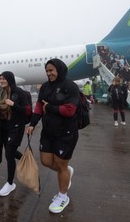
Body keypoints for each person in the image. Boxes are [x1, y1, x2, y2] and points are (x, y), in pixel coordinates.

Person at [26, 59, 80, 214]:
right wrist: (32, 124)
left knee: (61, 165)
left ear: (60, 70)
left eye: (52, 70)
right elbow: (38, 107)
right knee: (46, 161)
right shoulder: (45, 86)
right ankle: (66, 172)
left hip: (66, 133)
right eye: (47, 71)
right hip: (48, 132)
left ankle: (63, 196)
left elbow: (69, 110)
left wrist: (49, 107)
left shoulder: (70, 86)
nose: (49, 73)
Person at [0, 71, 32, 197]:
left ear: (10, 79)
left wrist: (14, 105)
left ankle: (10, 183)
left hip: (16, 127)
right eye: (0, 78)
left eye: (4, 78)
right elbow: (1, 108)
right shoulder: (2, 92)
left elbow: (27, 110)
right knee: (10, 151)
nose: (1, 80)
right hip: (6, 127)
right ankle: (27, 162)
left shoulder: (19, 93)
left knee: (9, 154)